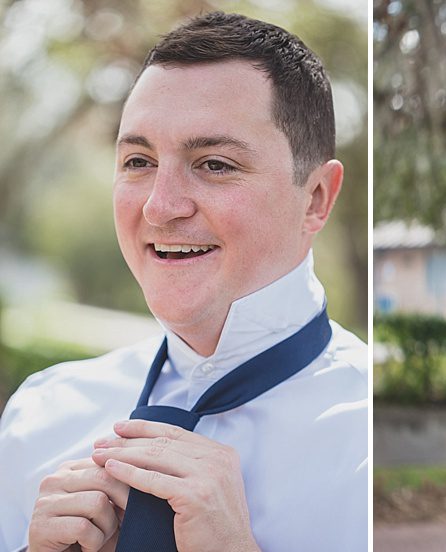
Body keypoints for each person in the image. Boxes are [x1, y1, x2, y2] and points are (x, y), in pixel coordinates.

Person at [0, 12, 367, 552]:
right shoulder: (40, 416)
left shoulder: (363, 441)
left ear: (315, 198)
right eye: (138, 160)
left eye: (215, 164)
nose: (159, 206)